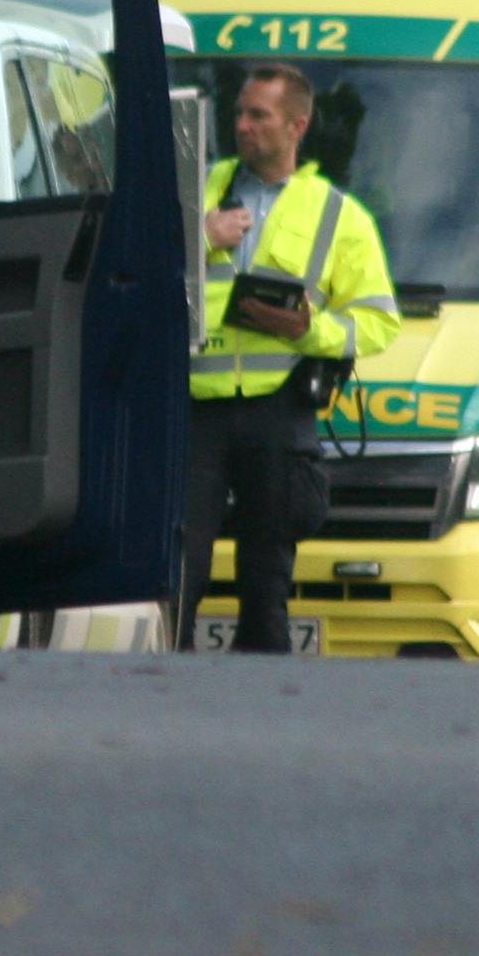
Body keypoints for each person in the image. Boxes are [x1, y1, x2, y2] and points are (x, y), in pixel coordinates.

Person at [183, 63, 401, 653]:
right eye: (239, 114)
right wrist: (201, 235)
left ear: (297, 125)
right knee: (179, 573)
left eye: (260, 116)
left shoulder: (339, 215)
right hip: (194, 406)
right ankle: (164, 696)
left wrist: (309, 329)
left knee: (266, 580)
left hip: (277, 411)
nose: (244, 126)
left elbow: (380, 322)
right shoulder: (195, 187)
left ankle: (264, 715)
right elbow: (136, 264)